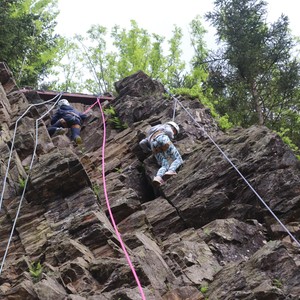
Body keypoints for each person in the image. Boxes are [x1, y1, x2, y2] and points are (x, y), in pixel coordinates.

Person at [139, 121, 183, 186]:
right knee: (178, 159)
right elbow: (169, 132)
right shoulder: (166, 126)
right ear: (172, 127)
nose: (174, 133)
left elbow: (142, 143)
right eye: (175, 132)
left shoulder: (152, 133)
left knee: (164, 165)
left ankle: (158, 177)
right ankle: (171, 170)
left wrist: (148, 150)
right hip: (163, 138)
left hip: (153, 145)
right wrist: (171, 137)